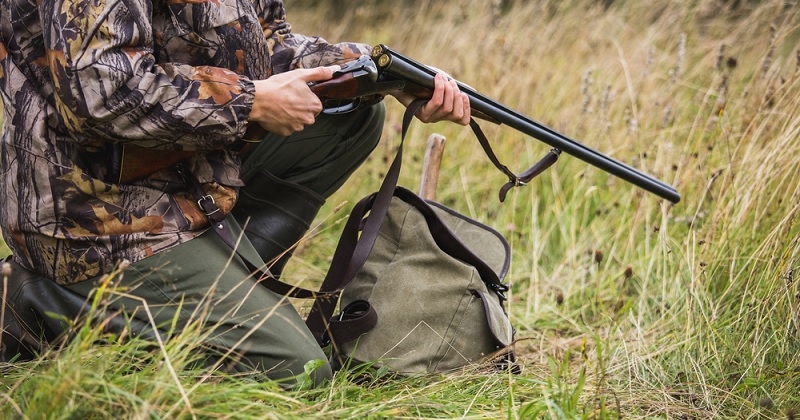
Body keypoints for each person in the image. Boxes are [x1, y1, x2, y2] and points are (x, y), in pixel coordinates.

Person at [0, 0, 470, 386]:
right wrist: (252, 102)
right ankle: (37, 305)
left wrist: (382, 72)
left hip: (179, 178)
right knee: (295, 373)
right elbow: (97, 91)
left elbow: (268, 44)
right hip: (88, 213)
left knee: (349, 112)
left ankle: (228, 289)